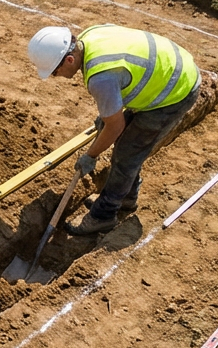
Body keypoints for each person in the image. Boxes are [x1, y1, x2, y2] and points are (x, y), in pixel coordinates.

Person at [27, 24, 200, 235]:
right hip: (170, 67)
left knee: (127, 154)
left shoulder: (101, 78)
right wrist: (108, 113)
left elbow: (115, 126)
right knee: (125, 145)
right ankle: (126, 197)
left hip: (173, 92)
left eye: (55, 72)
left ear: (69, 60)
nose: (56, 76)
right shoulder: (89, 35)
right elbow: (123, 75)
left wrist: (90, 155)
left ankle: (104, 215)